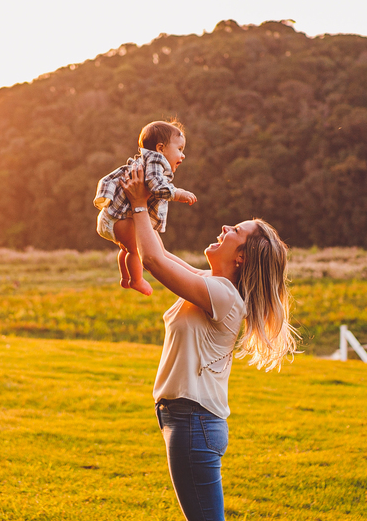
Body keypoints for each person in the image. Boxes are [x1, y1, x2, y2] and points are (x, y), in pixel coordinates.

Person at [121, 162, 299, 521]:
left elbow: (155, 260)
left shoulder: (224, 295)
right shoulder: (213, 283)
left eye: (235, 230)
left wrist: (139, 205)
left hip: (193, 421)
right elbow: (162, 256)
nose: (225, 227)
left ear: (241, 256)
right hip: (187, 419)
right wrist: (143, 209)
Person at [94, 120, 198, 295]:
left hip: (113, 216)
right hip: (119, 218)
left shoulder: (145, 161)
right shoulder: (156, 162)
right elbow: (157, 187)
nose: (183, 155)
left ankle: (126, 278)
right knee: (135, 250)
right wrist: (178, 193)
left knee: (128, 248)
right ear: (160, 148)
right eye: (179, 149)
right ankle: (137, 280)